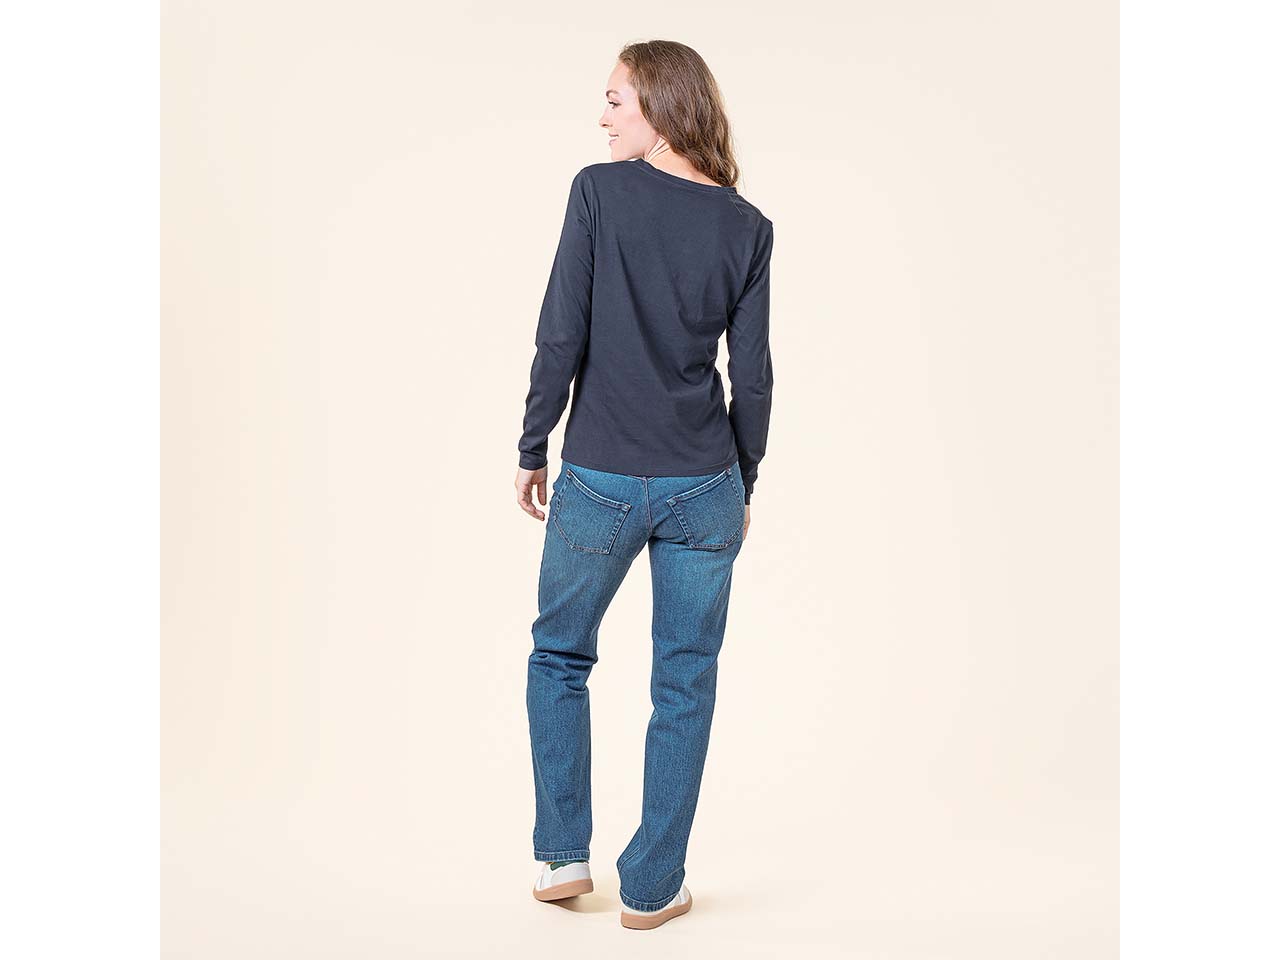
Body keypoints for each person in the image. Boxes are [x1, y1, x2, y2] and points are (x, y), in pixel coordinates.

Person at [515, 39, 774, 931]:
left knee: (560, 656)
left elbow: (562, 329)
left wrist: (533, 442)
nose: (603, 117)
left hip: (601, 476)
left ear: (662, 106)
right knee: (686, 683)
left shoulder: (599, 192)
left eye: (616, 100)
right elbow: (754, 377)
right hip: (705, 483)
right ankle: (654, 887)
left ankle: (563, 856)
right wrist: (743, 482)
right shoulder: (747, 226)